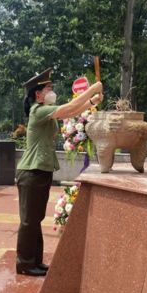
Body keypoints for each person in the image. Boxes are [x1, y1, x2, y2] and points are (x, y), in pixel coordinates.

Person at [15, 68, 103, 276]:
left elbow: (70, 112)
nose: (52, 91)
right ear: (38, 94)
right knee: (29, 221)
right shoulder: (38, 110)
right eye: (49, 88)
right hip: (31, 171)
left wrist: (92, 102)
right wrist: (92, 89)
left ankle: (34, 261)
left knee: (35, 219)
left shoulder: (47, 111)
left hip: (40, 171)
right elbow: (70, 106)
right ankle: (25, 264)